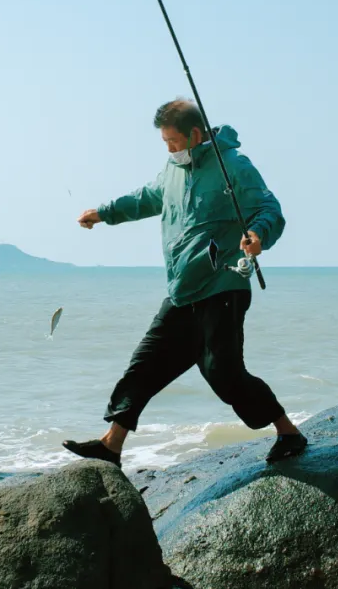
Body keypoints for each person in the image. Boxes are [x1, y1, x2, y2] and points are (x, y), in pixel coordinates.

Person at [63, 99, 307, 467]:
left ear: (195, 134)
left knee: (223, 374)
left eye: (173, 140)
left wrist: (258, 234)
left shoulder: (234, 167)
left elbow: (269, 209)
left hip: (224, 286)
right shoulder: (173, 169)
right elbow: (147, 198)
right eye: (164, 142)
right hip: (182, 291)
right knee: (144, 364)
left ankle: (288, 432)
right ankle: (111, 445)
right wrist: (104, 213)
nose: (168, 147)